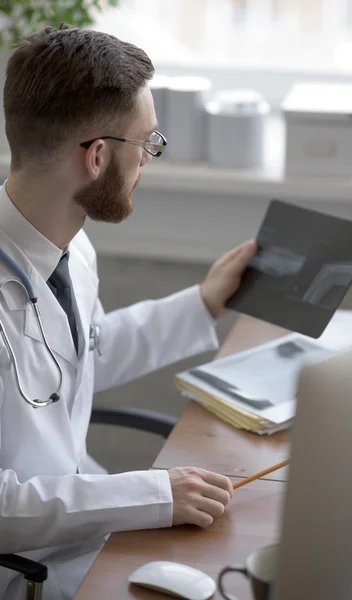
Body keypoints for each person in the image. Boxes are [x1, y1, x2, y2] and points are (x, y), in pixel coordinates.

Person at [0, 24, 257, 600]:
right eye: (147, 141)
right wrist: (153, 494)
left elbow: (78, 355)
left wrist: (203, 302)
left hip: (80, 531)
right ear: (95, 157)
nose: (148, 157)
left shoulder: (68, 245)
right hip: (24, 571)